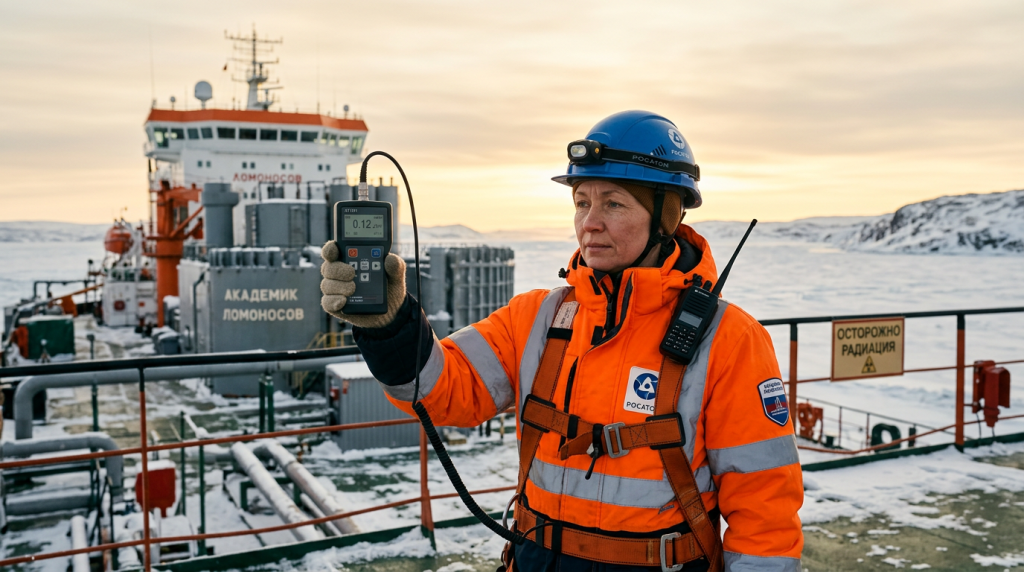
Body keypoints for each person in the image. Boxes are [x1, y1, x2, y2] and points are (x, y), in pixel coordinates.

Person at [320, 110, 803, 572]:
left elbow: (765, 514)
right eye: (581, 202)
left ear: (668, 214)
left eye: (613, 203)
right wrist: (389, 325)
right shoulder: (538, 317)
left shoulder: (731, 340)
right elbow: (444, 391)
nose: (589, 222)